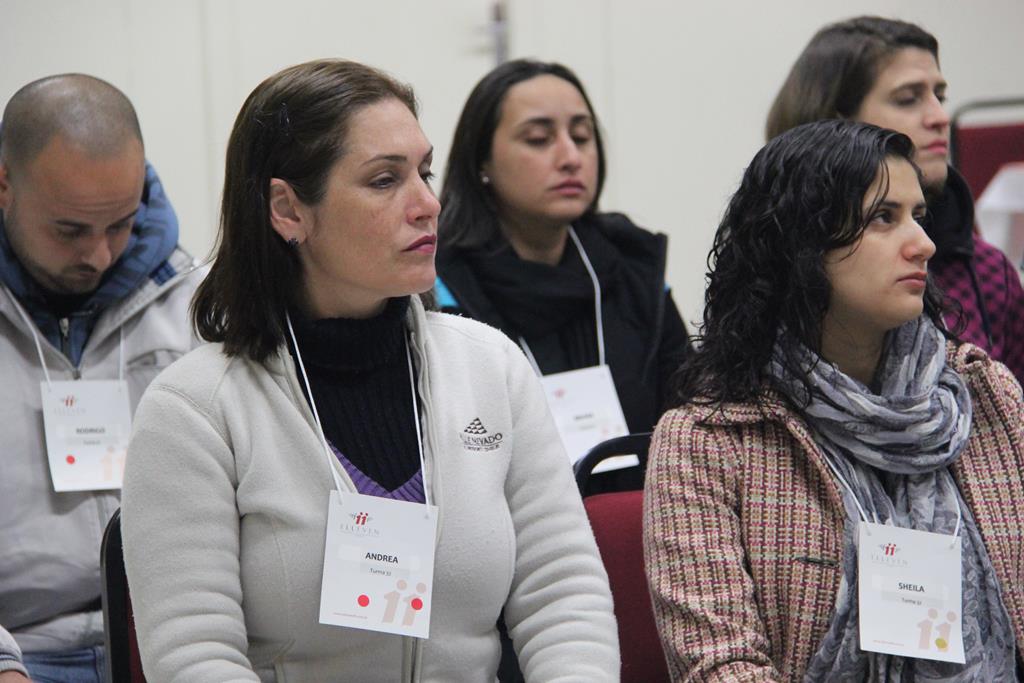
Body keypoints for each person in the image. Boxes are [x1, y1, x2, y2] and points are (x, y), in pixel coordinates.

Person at [119, 59, 618, 682]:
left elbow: (564, 596)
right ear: (289, 210)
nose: (428, 205)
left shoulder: (490, 367)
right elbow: (195, 657)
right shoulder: (196, 409)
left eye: (424, 173)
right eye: (385, 180)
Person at [644, 120, 1024, 680]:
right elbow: (720, 666)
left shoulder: (985, 398)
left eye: (917, 216)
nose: (924, 244)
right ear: (801, 243)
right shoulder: (708, 441)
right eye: (883, 218)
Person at [0, 75, 204, 683]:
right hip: (21, 648)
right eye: (69, 230)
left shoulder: (195, 306)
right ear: (4, 185)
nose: (99, 255)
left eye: (121, 224)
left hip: (167, 638)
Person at [435, 59, 690, 484]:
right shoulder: (438, 287)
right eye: (539, 139)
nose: (571, 157)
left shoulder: (635, 268)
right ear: (481, 161)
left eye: (582, 137)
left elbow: (691, 420)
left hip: (644, 510)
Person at [766, 16, 1024, 385]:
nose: (939, 117)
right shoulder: (763, 268)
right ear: (836, 124)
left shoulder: (988, 273)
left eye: (940, 97)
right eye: (908, 99)